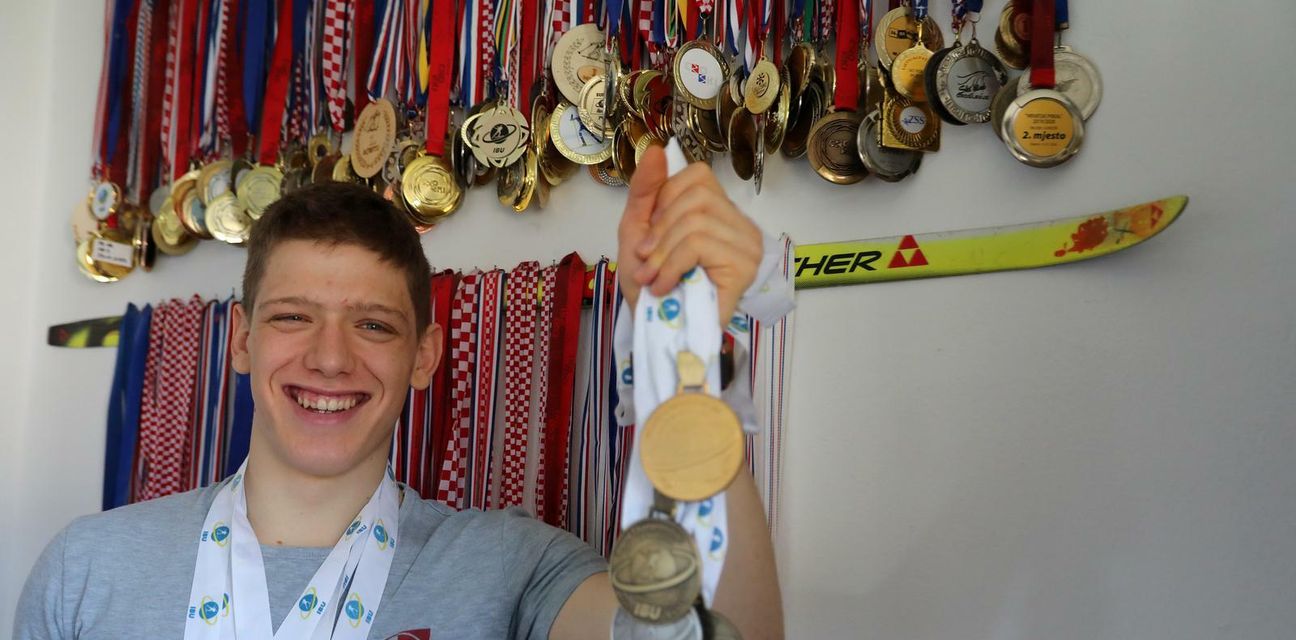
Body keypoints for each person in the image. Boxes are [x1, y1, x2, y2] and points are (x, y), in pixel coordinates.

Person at [15, 145, 784, 639]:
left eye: (374, 326)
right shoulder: (87, 568)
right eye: (293, 317)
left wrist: (685, 346)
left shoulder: (511, 567)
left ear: (424, 356)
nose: (329, 358)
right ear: (242, 340)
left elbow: (722, 633)